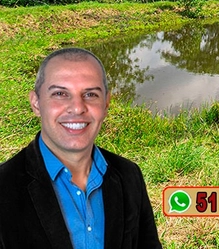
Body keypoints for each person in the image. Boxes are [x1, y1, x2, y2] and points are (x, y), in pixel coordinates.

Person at [0, 47, 162, 249]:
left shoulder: (129, 175)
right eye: (60, 93)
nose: (77, 108)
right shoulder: (4, 187)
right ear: (36, 103)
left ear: (106, 103)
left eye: (91, 94)